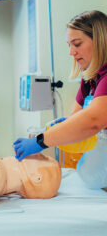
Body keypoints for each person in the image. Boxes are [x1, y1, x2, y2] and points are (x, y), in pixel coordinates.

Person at [14, 10, 107, 161]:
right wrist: (62, 126)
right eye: (69, 45)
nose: (71, 52)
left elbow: (93, 121)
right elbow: (77, 120)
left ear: (100, 40)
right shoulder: (89, 79)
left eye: (77, 44)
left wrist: (40, 141)